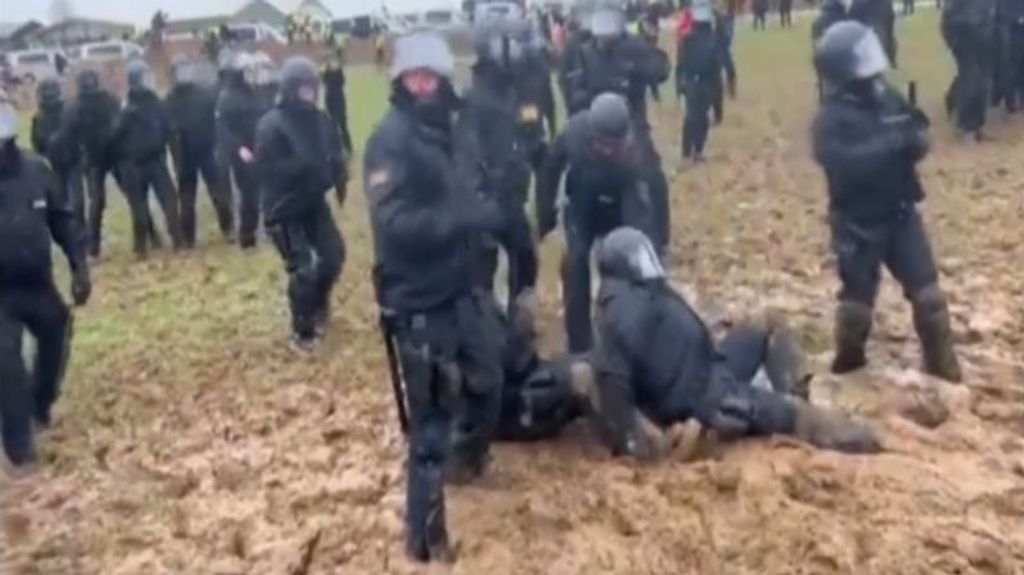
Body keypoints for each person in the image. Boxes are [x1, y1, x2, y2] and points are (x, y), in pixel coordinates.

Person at [363, 31, 506, 563]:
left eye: (432, 75)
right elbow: (395, 223)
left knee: (489, 379)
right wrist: (461, 219)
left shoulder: (454, 128)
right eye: (414, 76)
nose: (425, 84)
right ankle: (426, 542)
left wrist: (492, 208)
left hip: (465, 287)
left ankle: (467, 461)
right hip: (418, 298)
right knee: (429, 424)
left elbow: (474, 183)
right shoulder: (389, 140)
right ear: (401, 80)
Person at [573, 227, 881, 460]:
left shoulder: (636, 295)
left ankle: (797, 392)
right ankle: (869, 441)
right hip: (709, 401)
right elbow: (614, 382)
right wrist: (651, 438)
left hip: (709, 371)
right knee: (805, 421)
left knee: (765, 324)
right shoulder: (619, 315)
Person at [812, 22, 962, 382]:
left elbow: (914, 132)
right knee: (857, 304)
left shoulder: (885, 95)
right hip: (858, 224)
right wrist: (890, 145)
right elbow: (845, 163)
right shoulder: (830, 119)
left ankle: (944, 371)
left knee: (929, 298)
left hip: (901, 215)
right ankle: (849, 368)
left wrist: (914, 140)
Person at [0, 93, 91, 468]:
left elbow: (62, 219)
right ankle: (19, 449)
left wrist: (78, 266)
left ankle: (40, 406)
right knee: (7, 363)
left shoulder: (37, 170)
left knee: (58, 331)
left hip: (36, 283)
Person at [538, 93, 656, 354]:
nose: (605, 150)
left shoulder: (636, 152)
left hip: (620, 209)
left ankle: (621, 336)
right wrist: (544, 213)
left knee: (621, 272)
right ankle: (579, 345)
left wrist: (651, 248)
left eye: (612, 146)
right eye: (600, 144)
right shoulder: (574, 131)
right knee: (575, 265)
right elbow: (550, 168)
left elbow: (648, 203)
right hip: (582, 205)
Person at [254, 56, 346, 349]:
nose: (309, 94)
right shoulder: (271, 125)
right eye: (302, 89)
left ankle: (318, 305)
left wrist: (338, 170)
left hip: (313, 203)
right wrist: (304, 166)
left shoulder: (320, 121)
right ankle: (302, 330)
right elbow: (268, 169)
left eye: (312, 88)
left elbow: (333, 152)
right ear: (289, 88)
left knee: (333, 256)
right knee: (303, 268)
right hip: (282, 210)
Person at [564, 6, 672, 251]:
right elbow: (573, 87)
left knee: (652, 175)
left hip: (631, 123)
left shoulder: (635, 46)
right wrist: (582, 106)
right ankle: (582, 230)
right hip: (594, 124)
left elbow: (661, 71)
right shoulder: (583, 49)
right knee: (578, 171)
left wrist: (647, 53)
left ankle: (659, 239)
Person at [461, 16, 542, 305]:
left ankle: (519, 315)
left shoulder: (517, 91)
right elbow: (465, 156)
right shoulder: (472, 100)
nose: (519, 51)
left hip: (512, 196)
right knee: (483, 266)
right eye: (512, 45)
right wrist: (481, 196)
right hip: (485, 200)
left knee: (525, 257)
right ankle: (485, 324)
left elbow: (531, 135)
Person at [111, 59, 183, 258]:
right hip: (133, 165)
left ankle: (177, 240)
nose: (150, 80)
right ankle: (141, 247)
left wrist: (176, 158)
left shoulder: (155, 102)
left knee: (169, 201)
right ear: (137, 80)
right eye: (146, 77)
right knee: (139, 208)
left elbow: (168, 130)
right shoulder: (127, 107)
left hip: (155, 160)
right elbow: (114, 136)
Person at [165, 56, 233, 247]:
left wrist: (216, 142)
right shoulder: (171, 100)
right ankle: (189, 238)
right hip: (187, 154)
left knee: (217, 193)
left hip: (204, 151)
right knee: (188, 198)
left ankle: (226, 228)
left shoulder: (201, 95)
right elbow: (167, 129)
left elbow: (216, 120)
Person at [58, 69, 121, 258]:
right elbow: (68, 134)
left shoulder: (103, 101)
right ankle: (93, 245)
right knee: (98, 202)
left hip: (108, 154)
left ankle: (94, 245)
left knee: (102, 201)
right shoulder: (77, 106)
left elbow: (119, 122)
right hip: (96, 157)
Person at [216, 52, 265, 248]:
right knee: (250, 197)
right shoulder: (227, 98)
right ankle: (247, 237)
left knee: (266, 194)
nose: (252, 74)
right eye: (248, 71)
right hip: (243, 155)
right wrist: (240, 149)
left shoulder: (255, 93)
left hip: (260, 149)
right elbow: (224, 130)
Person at [31, 79, 85, 247]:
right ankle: (75, 236)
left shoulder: (67, 112)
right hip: (57, 164)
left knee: (75, 201)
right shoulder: (40, 118)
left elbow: (78, 134)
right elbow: (38, 143)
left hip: (70, 161)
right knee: (66, 203)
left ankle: (80, 235)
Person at [677, 0, 721, 162]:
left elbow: (716, 66)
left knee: (703, 119)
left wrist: (716, 92)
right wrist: (680, 84)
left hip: (707, 83)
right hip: (692, 81)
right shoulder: (688, 38)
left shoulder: (714, 39)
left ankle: (698, 150)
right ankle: (687, 151)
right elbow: (681, 63)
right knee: (691, 117)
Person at [321, 50, 353, 153]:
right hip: (330, 100)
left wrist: (334, 71)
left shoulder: (337, 70)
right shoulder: (325, 71)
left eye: (329, 58)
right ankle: (338, 149)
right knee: (333, 127)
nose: (328, 61)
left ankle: (348, 148)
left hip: (338, 100)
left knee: (342, 125)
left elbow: (342, 82)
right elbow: (323, 81)